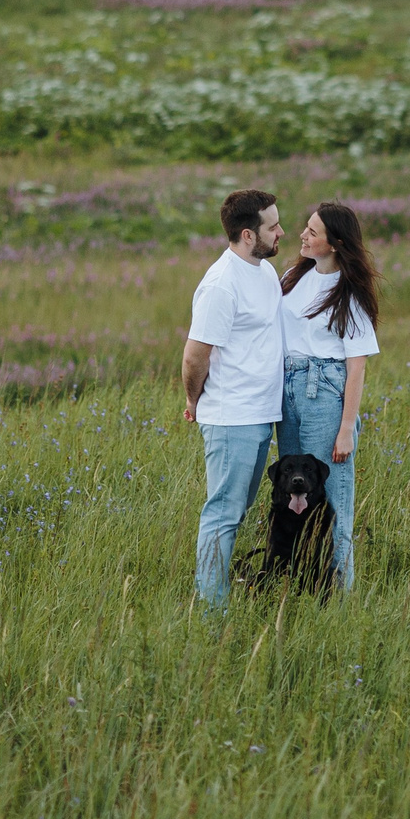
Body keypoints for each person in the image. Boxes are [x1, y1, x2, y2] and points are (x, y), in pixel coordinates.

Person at [182, 188, 285, 610]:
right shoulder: (221, 285)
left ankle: (218, 596)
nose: (282, 232)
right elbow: (194, 356)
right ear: (248, 235)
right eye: (273, 226)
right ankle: (210, 611)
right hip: (231, 416)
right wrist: (194, 401)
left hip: (261, 413)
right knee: (222, 514)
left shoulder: (263, 273)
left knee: (236, 512)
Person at [276, 202, 380, 592]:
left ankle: (339, 596)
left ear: (335, 243)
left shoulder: (348, 295)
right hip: (287, 390)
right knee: (291, 491)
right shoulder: (293, 277)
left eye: (312, 232)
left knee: (332, 496)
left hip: (324, 392)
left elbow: (357, 367)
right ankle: (299, 582)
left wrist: (346, 429)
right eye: (305, 228)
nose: (302, 235)